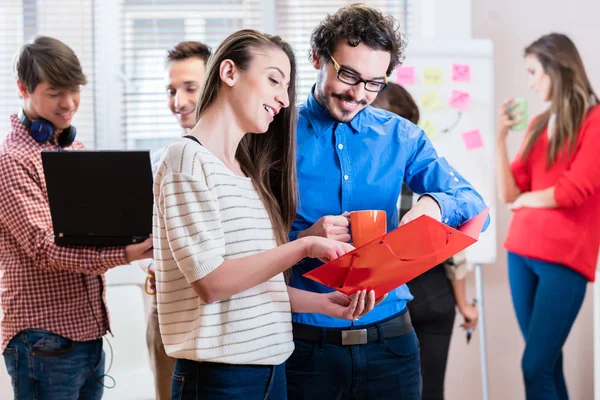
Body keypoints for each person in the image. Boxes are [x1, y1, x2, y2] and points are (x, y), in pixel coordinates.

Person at [153, 29, 381, 400]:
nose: (283, 99)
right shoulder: (186, 159)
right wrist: (304, 246)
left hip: (271, 369)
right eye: (274, 80)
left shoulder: (246, 173)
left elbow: (253, 283)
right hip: (220, 379)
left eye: (287, 88)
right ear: (229, 72)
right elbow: (212, 283)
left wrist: (324, 305)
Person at [285, 5, 489, 400]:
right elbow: (245, 243)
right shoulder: (275, 136)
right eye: (348, 75)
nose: (359, 95)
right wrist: (304, 238)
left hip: (392, 343)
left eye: (374, 83)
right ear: (316, 59)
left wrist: (432, 205)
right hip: (304, 346)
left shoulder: (403, 136)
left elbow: (473, 203)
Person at [0, 36, 154, 400]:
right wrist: (128, 255)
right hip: (43, 340)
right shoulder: (12, 161)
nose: (68, 103)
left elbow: (93, 232)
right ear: (24, 88)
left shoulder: (74, 150)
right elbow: (45, 249)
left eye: (74, 90)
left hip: (87, 333)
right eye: (55, 92)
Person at [496, 33, 600, 400]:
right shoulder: (540, 122)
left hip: (564, 259)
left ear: (558, 69)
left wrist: (526, 202)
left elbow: (574, 191)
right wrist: (500, 138)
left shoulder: (595, 120)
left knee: (534, 366)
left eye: (534, 72)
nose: (530, 82)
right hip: (520, 252)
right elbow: (510, 192)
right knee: (547, 364)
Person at [372, 82, 479, 400]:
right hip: (432, 293)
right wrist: (463, 303)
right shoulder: (427, 173)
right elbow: (454, 251)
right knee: (431, 390)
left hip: (385, 295)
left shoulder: (367, 175)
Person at [142, 40, 211, 400]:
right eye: (172, 90)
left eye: (190, 88)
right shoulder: (159, 162)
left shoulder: (242, 160)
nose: (178, 101)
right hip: (167, 304)